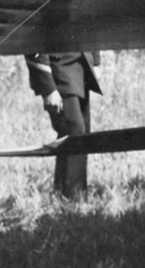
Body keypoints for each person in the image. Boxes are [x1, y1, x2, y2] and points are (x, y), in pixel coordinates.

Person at [24, 52, 101, 196]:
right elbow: (33, 40)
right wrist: (48, 87)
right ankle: (73, 199)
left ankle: (64, 195)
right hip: (57, 70)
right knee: (75, 131)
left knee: (81, 134)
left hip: (81, 67)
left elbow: (92, 29)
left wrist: (95, 61)